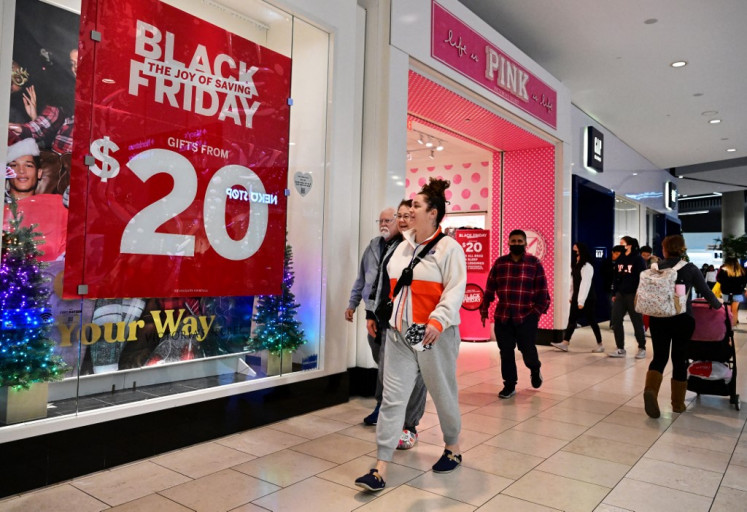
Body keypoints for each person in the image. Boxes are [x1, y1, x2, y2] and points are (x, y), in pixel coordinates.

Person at [355, 178, 466, 492]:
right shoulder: (401, 247)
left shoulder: (449, 249)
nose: (409, 210)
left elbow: (454, 291)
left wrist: (438, 321)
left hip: (435, 336)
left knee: (443, 392)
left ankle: (453, 447)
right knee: (392, 399)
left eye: (416, 206)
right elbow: (389, 289)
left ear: (433, 213)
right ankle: (380, 467)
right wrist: (379, 317)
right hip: (400, 335)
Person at [366, 199, 427, 450]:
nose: (402, 220)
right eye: (399, 215)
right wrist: (372, 314)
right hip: (390, 320)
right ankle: (390, 422)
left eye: (407, 215)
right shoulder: (394, 248)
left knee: (419, 375)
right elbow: (380, 284)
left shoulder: (429, 247)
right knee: (390, 373)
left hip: (420, 321)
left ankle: (409, 425)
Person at [643, 235, 721, 418]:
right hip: (682, 319)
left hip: (658, 318)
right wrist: (718, 306)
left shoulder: (655, 268)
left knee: (659, 357)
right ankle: (677, 404)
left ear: (665, 249)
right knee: (679, 359)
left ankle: (651, 391)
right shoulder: (691, 268)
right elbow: (706, 291)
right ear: (682, 249)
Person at [480, 229, 550, 399]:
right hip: (503, 317)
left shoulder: (534, 264)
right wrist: (484, 308)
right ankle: (509, 385)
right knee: (506, 352)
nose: (516, 244)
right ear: (509, 243)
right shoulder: (500, 263)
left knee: (527, 350)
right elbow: (490, 287)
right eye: (514, 241)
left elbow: (543, 293)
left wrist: (536, 313)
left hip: (526, 317)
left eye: (520, 241)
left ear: (526, 244)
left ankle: (535, 368)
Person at [345, 207, 398, 425]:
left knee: (387, 365)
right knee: (381, 362)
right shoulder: (373, 246)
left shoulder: (404, 247)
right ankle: (390, 401)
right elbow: (362, 278)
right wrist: (353, 303)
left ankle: (382, 407)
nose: (384, 224)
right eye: (381, 220)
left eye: (389, 220)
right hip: (372, 314)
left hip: (392, 316)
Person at [3, 138, 67, 261]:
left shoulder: (57, 204)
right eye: (14, 165)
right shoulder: (3, 208)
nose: (21, 171)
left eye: (28, 165)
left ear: (39, 173)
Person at [552, 242, 603, 353]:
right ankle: (565, 343)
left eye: (577, 252)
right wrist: (571, 295)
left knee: (592, 321)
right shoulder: (576, 264)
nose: (575, 254)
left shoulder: (587, 266)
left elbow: (585, 284)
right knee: (572, 320)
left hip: (587, 298)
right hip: (577, 297)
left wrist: (581, 301)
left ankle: (600, 344)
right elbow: (572, 282)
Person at [609, 236, 647, 358]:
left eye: (622, 243)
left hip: (633, 294)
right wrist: (614, 293)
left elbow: (643, 277)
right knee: (616, 320)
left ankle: (642, 347)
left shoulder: (638, 259)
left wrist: (640, 293)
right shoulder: (621, 258)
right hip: (621, 293)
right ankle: (620, 348)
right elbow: (615, 276)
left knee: (636, 321)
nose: (620, 245)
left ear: (629, 245)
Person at [717, 257, 746, 326]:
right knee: (735, 310)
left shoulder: (723, 270)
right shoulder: (741, 271)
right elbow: (744, 281)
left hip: (726, 292)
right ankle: (733, 326)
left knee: (727, 310)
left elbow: (719, 280)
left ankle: (728, 326)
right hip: (737, 293)